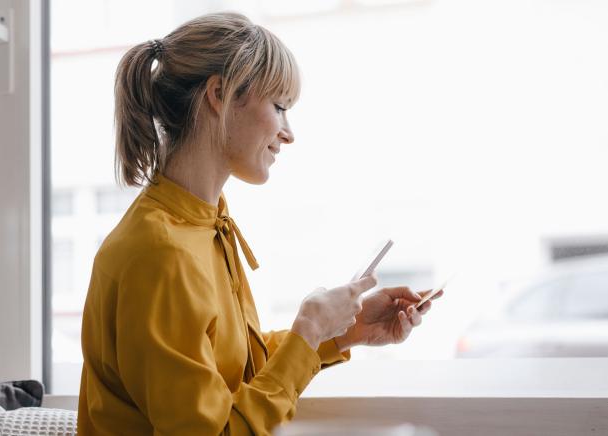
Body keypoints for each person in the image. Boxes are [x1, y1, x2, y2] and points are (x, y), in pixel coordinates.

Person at [77, 12, 442, 436]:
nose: (288, 133)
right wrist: (307, 331)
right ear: (220, 94)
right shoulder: (162, 252)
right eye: (280, 107)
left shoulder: (205, 224)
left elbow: (230, 373)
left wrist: (339, 332)